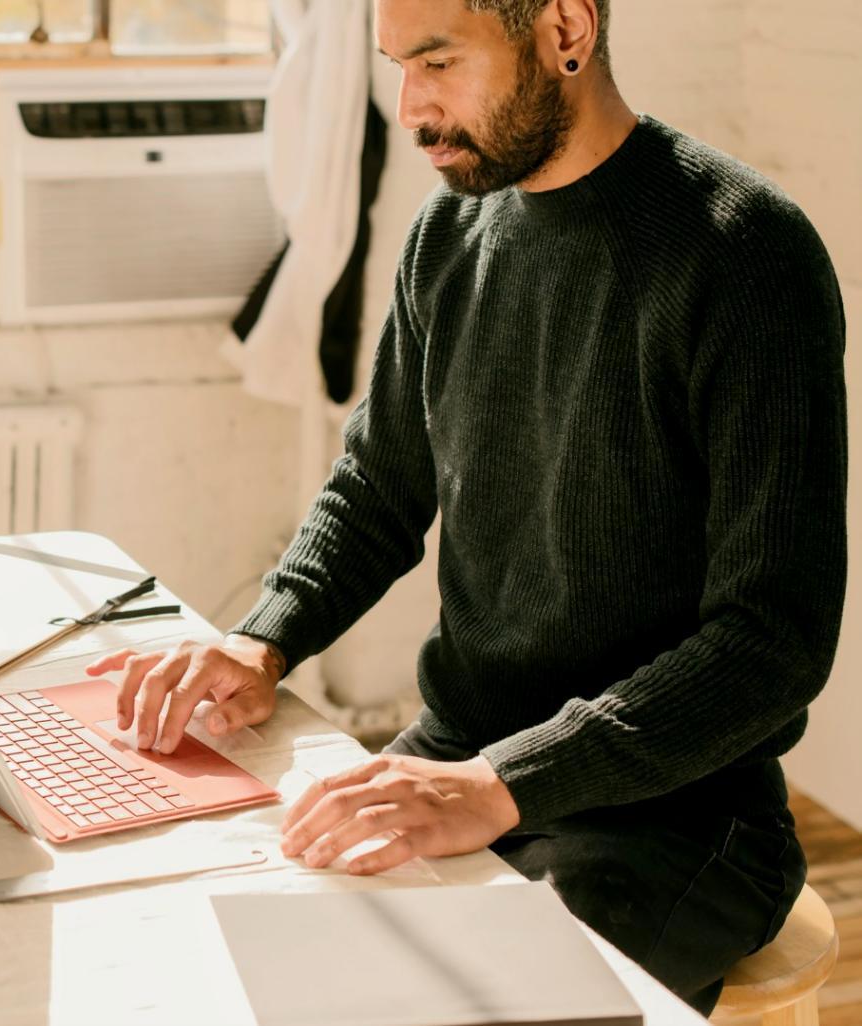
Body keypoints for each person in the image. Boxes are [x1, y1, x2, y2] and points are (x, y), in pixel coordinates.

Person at [86, 0, 847, 1012]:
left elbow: (770, 643)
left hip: (673, 819)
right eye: (397, 66)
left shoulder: (742, 255)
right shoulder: (445, 234)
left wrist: (501, 785)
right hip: (459, 759)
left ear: (564, 31)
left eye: (438, 62)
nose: (408, 106)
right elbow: (376, 487)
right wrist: (258, 644)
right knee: (229, 961)